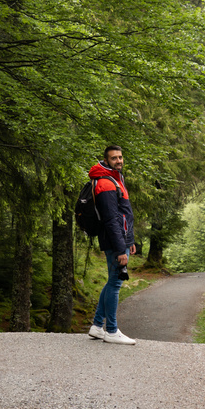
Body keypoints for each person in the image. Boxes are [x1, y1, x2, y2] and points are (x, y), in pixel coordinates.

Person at [88, 145, 137, 345]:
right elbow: (110, 219)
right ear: (106, 161)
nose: (119, 160)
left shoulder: (116, 178)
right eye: (114, 158)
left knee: (111, 282)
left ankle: (97, 326)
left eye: (120, 157)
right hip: (114, 240)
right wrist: (120, 249)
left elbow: (124, 213)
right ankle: (112, 330)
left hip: (121, 238)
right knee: (115, 283)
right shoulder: (106, 183)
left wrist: (130, 240)